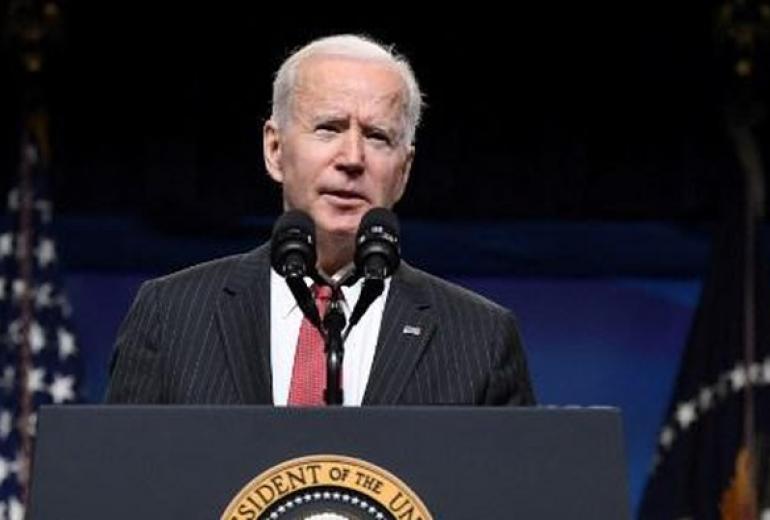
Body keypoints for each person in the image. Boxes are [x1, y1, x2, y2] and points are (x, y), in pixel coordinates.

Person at [105, 34, 535, 406]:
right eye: (328, 128)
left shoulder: (482, 338)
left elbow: (507, 497)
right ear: (274, 150)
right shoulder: (171, 315)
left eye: (377, 136)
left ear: (403, 171)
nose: (351, 158)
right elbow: (123, 482)